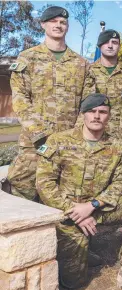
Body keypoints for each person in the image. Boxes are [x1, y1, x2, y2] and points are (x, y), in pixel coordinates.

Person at [36, 94, 122, 290]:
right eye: (92, 111)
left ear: (108, 116)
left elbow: (120, 182)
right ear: (83, 114)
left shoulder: (117, 145)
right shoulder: (58, 141)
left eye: (102, 112)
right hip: (67, 212)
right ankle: (80, 249)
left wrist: (92, 206)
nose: (97, 116)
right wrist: (75, 212)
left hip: (98, 207)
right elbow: (44, 183)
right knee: (74, 281)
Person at [8, 6, 87, 201]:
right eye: (53, 21)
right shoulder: (28, 58)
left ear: (67, 27)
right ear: (43, 24)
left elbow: (87, 105)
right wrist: (39, 133)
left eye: (63, 22)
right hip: (35, 142)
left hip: (67, 143)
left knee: (62, 194)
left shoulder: (80, 63)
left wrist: (76, 135)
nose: (58, 25)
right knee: (22, 189)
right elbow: (20, 99)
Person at [82, 29, 122, 139]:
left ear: (119, 46)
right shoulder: (87, 71)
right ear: (99, 46)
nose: (110, 46)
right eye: (106, 42)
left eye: (114, 42)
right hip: (93, 135)